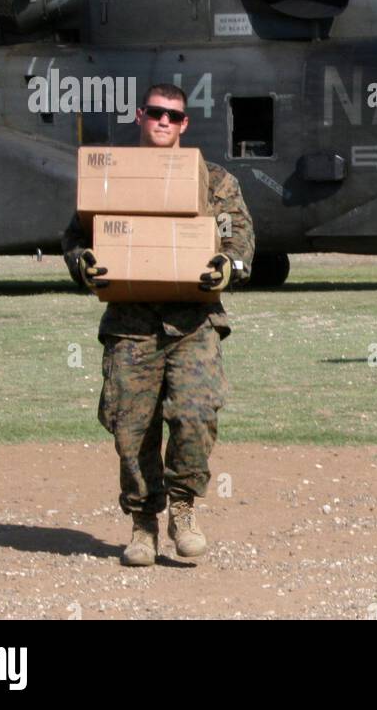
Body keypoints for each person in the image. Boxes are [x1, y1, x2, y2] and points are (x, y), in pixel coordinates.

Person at [62, 83, 255, 567]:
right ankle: (143, 523)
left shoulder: (213, 180)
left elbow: (239, 236)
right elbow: (77, 235)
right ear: (139, 116)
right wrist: (82, 262)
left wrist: (228, 266)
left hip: (193, 322)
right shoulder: (115, 176)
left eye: (173, 115)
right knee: (131, 428)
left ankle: (184, 508)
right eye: (155, 113)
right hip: (131, 324)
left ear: (185, 123)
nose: (164, 121)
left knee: (195, 414)